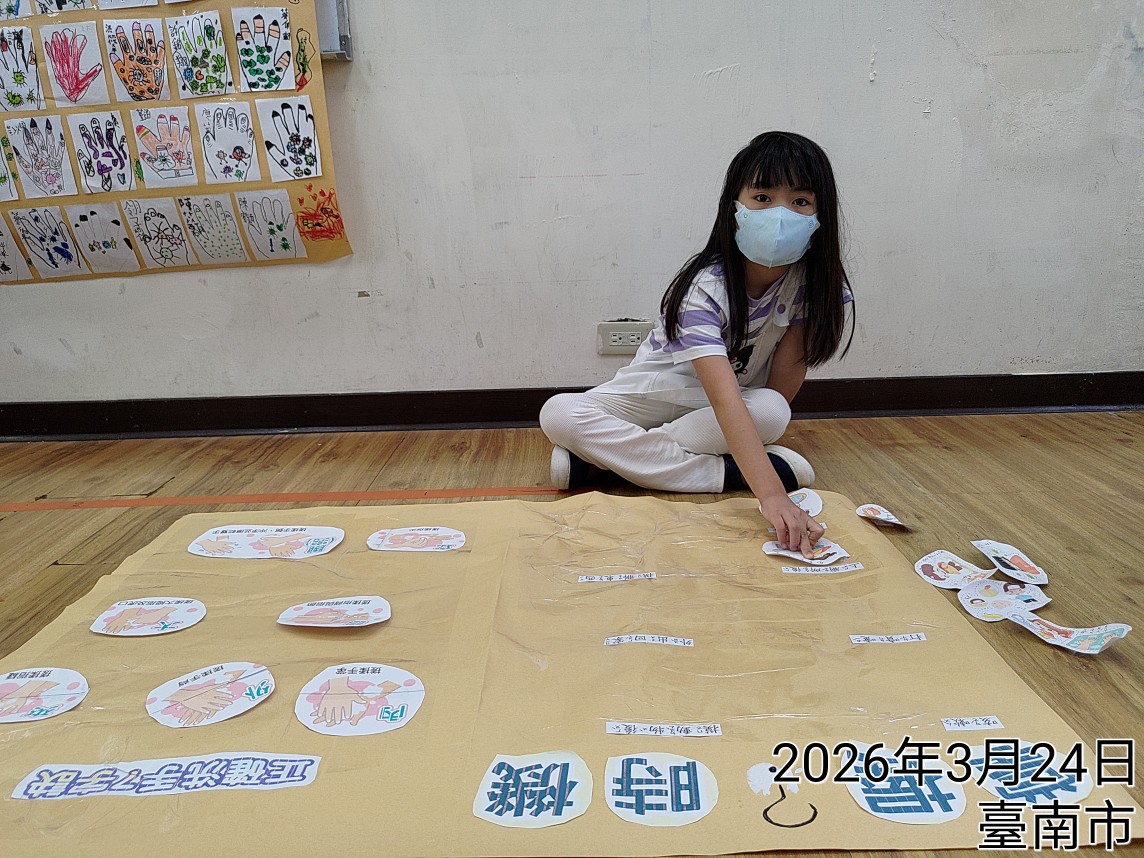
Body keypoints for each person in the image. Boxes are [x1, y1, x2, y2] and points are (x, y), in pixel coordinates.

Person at [540, 131, 853, 556]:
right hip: (654, 394)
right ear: (735, 208)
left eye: (800, 201)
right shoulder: (704, 287)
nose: (780, 215)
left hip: (715, 412)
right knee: (559, 413)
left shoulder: (815, 288)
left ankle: (605, 461)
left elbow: (773, 390)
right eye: (762, 198)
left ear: (821, 215)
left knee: (773, 410)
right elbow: (724, 399)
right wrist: (772, 494)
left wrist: (749, 439)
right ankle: (721, 474)